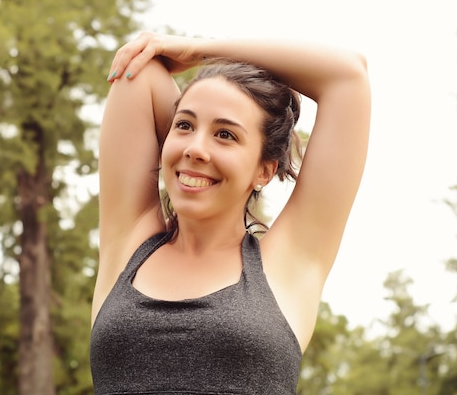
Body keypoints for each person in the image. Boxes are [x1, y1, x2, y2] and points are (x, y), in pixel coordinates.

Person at [90, 32, 371, 395]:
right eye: (185, 125)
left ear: (264, 171)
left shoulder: (287, 264)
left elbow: (348, 76)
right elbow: (140, 73)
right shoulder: (128, 240)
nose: (195, 148)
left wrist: (196, 50)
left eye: (225, 135)